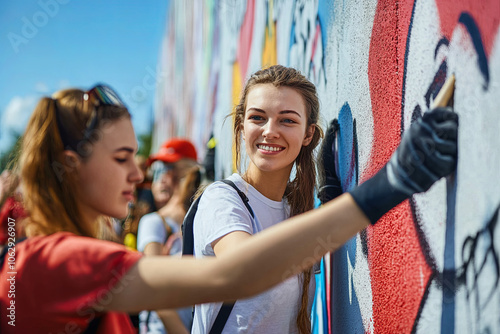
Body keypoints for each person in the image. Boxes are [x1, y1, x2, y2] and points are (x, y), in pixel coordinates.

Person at [0, 79, 457, 333]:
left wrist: (327, 201)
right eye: (123, 159)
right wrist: (391, 184)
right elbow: (235, 273)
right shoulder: (54, 262)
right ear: (71, 165)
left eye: (288, 120)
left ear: (310, 136)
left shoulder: (43, 258)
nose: (139, 176)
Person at [192, 65, 322, 333]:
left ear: (308, 134)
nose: (270, 131)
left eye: (287, 120)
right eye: (258, 118)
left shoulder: (299, 211)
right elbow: (246, 268)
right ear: (241, 127)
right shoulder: (223, 199)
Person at [137, 138, 201, 333]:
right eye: (158, 171)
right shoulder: (154, 222)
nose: (162, 178)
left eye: (170, 169)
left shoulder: (201, 222)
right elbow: (153, 287)